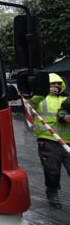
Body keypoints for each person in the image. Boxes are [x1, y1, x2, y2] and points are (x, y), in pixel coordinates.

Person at [29, 73, 70, 208]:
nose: (56, 86)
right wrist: (42, 92)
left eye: (59, 84)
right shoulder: (39, 99)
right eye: (53, 84)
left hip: (67, 142)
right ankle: (52, 193)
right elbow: (31, 103)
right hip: (48, 140)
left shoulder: (66, 99)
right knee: (52, 171)